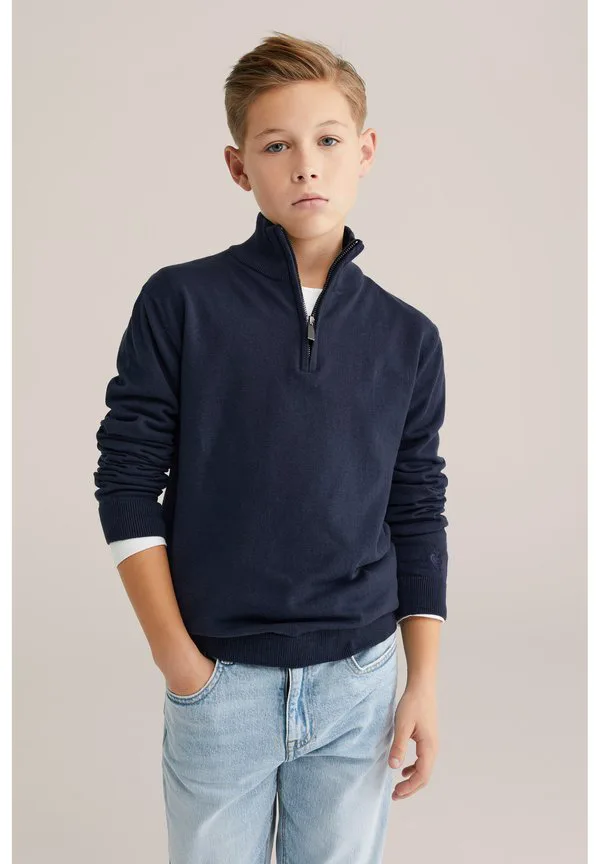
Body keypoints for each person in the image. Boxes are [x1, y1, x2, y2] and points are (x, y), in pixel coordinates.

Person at [93, 30, 449, 864]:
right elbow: (126, 479)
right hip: (220, 681)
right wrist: (180, 664)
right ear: (238, 165)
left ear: (365, 151)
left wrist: (422, 683)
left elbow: (417, 505)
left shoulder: (408, 337)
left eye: (327, 140)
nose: (306, 166)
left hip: (360, 684)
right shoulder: (180, 303)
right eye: (277, 146)